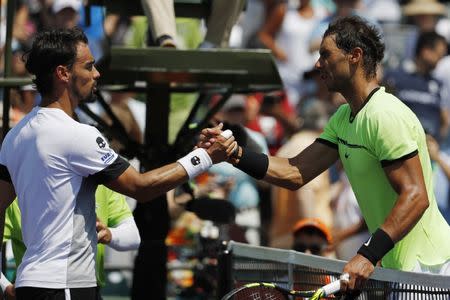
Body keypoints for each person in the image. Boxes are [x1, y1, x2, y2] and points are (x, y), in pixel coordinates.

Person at [199, 16, 450, 294]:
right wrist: (234, 153)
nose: (318, 64)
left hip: (428, 267)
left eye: (325, 55)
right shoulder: (344, 117)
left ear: (355, 56)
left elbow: (416, 196)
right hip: (399, 268)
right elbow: (295, 172)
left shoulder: (384, 115)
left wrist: (368, 253)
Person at [0, 27, 236, 300]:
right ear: (63, 73)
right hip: (65, 286)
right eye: (89, 66)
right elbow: (141, 187)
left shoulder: (15, 136)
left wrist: (4, 285)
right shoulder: (78, 135)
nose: (97, 74)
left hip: (31, 283)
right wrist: (205, 156)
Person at [0, 185, 141, 299]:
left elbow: (133, 237)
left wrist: (109, 234)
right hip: (37, 288)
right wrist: (5, 287)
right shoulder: (16, 191)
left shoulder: (103, 181)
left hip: (90, 288)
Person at [383, 31, 449, 140]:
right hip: (400, 146)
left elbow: (445, 121)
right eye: (439, 55)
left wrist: (437, 144)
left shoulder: (439, 85)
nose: (440, 60)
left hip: (430, 151)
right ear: (426, 51)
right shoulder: (393, 78)